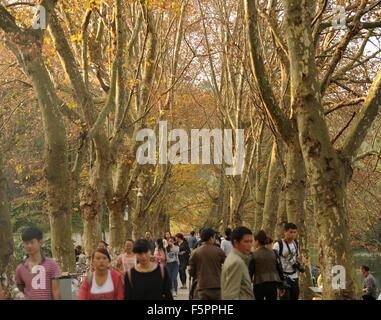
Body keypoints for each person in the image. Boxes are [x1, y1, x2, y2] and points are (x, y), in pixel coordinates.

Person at [15, 227, 61, 300]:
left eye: (32, 242)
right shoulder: (20, 268)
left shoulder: (52, 264)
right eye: (26, 243)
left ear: (40, 242)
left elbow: (56, 291)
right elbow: (20, 290)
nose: (29, 246)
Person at [189, 228, 225, 300]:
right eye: (214, 237)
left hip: (202, 286)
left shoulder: (195, 252)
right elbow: (227, 265)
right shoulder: (219, 251)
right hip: (217, 286)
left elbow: (191, 271)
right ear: (211, 238)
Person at [273, 222, 305, 300]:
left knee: (295, 296)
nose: (293, 234)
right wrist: (279, 282)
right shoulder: (278, 245)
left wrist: (300, 265)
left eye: (294, 232)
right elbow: (273, 262)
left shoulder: (296, 243)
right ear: (285, 232)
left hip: (294, 276)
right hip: (283, 277)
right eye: (290, 232)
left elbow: (297, 257)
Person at [221, 227, 254, 300]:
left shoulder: (238, 259)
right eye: (246, 241)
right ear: (236, 243)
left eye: (251, 242)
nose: (250, 245)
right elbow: (230, 296)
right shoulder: (236, 262)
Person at [249, 230, 282, 300]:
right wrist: (281, 286)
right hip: (272, 284)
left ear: (257, 241)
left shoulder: (254, 255)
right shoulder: (274, 253)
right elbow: (279, 269)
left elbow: (250, 273)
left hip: (259, 284)